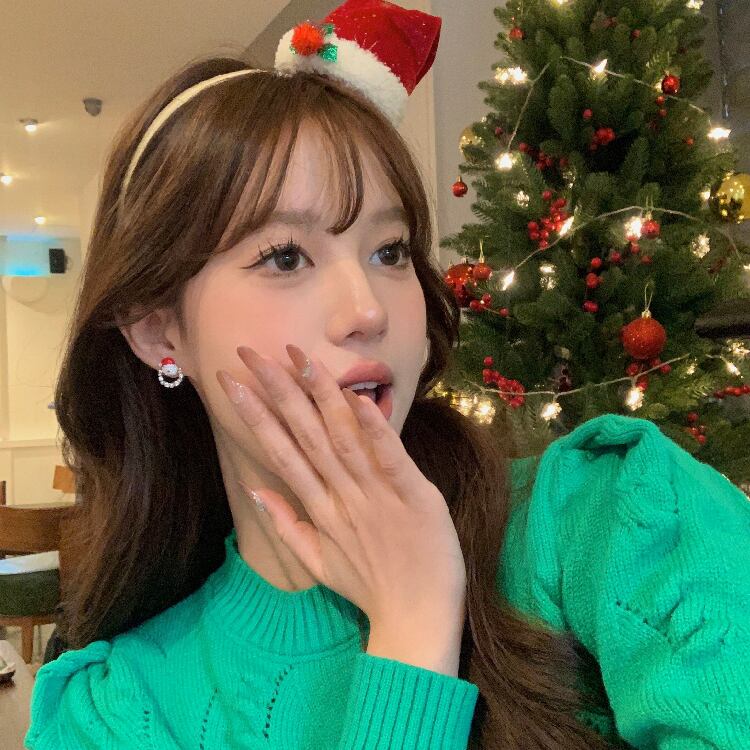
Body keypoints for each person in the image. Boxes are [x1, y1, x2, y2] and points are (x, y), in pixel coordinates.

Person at [25, 1, 750, 748]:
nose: (367, 310)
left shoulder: (615, 518)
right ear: (158, 330)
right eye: (285, 257)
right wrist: (412, 627)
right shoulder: (113, 712)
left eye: (390, 251)